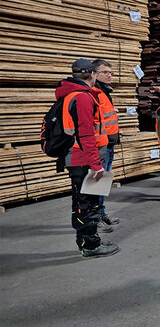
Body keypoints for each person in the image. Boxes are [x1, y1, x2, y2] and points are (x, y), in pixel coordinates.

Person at [58, 58, 119, 258]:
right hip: (83, 159)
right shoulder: (82, 98)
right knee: (86, 204)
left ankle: (88, 242)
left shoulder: (74, 95)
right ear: (92, 74)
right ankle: (90, 246)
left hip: (81, 158)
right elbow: (86, 135)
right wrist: (96, 165)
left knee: (85, 203)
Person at [92, 59, 120, 226]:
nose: (110, 75)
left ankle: (100, 213)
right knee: (97, 181)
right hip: (100, 145)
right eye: (105, 72)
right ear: (95, 74)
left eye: (111, 72)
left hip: (109, 143)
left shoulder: (105, 92)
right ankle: (95, 217)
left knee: (103, 182)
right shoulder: (94, 92)